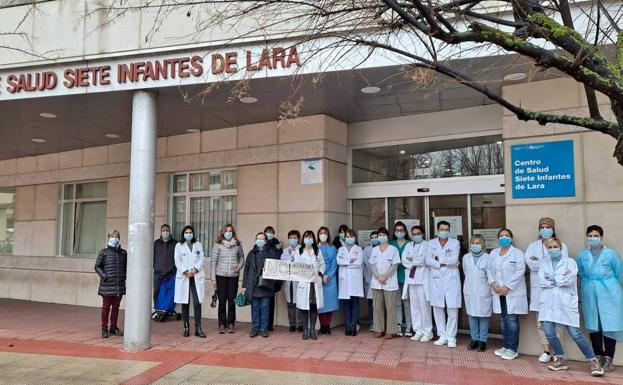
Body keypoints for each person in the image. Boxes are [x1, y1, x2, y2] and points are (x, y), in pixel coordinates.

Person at [538, 237, 604, 376]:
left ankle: (593, 360)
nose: (552, 249)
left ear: (561, 248)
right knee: (549, 332)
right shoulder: (544, 263)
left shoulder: (570, 262)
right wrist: (559, 279)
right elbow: (541, 280)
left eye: (555, 246)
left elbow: (569, 279)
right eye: (549, 247)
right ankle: (560, 358)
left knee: (575, 333)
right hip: (548, 302)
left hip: (565, 302)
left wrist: (554, 279)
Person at [577, 225, 623, 372]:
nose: (593, 238)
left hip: (610, 293)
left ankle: (609, 358)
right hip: (589, 291)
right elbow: (581, 274)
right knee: (593, 324)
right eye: (590, 235)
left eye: (596, 235)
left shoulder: (611, 254)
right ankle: (598, 355)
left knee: (610, 324)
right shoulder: (582, 256)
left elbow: (619, 273)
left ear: (601, 237)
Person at [525, 217, 567, 363]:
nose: (545, 229)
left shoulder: (562, 245)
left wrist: (540, 261)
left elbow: (562, 265)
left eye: (548, 226)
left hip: (555, 289)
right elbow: (531, 265)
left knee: (557, 322)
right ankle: (546, 351)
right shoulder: (533, 246)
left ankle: (558, 352)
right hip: (539, 289)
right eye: (542, 226)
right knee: (541, 322)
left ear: (553, 228)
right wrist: (547, 263)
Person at [488, 228, 528, 360]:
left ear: (511, 238)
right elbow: (489, 269)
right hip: (498, 291)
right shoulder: (493, 253)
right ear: (498, 238)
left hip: (512, 292)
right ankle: (505, 346)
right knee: (503, 319)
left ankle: (512, 348)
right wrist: (493, 283)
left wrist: (508, 287)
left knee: (511, 320)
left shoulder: (517, 253)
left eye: (506, 235)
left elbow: (520, 271)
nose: (504, 237)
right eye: (501, 236)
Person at [427, 220, 461, 348]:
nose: (444, 231)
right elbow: (427, 260)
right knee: (437, 308)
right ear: (437, 230)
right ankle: (442, 335)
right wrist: (441, 262)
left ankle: (451, 337)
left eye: (446, 229)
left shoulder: (455, 243)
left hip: (451, 279)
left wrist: (438, 260)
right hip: (436, 279)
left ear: (449, 230)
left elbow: (454, 260)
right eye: (442, 229)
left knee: (452, 309)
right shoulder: (431, 243)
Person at [242, 232, 279, 338]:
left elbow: (275, 266)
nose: (260, 240)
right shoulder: (251, 253)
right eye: (258, 238)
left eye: (262, 239)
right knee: (255, 307)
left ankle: (263, 328)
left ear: (266, 241)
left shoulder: (270, 252)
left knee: (264, 307)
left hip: (265, 285)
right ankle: (254, 328)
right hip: (253, 285)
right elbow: (246, 269)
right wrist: (244, 285)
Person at [211, 224, 245, 334]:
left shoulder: (237, 245)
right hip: (220, 276)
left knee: (231, 301)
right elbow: (213, 262)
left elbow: (241, 257)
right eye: (227, 231)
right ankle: (221, 323)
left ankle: (231, 323)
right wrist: (213, 279)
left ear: (233, 233)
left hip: (233, 277)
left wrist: (239, 266)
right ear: (223, 233)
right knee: (222, 301)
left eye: (230, 231)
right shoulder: (218, 245)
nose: (228, 233)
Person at [402, 225, 433, 343]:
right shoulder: (408, 245)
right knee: (414, 307)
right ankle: (418, 331)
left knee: (424, 307)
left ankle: (427, 332)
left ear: (423, 234)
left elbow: (423, 261)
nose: (416, 236)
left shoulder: (427, 245)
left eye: (418, 233)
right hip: (411, 280)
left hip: (423, 280)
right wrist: (414, 262)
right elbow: (404, 260)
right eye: (414, 234)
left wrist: (413, 261)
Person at [174, 225, 206, 338]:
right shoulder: (179, 245)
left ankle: (198, 328)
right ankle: (186, 327)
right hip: (185, 276)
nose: (188, 234)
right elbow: (177, 261)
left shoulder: (198, 244)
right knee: (185, 302)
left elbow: (202, 258)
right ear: (183, 234)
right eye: (186, 232)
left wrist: (196, 269)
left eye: (190, 232)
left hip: (196, 276)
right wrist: (186, 271)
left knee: (197, 303)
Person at [95, 230, 127, 338]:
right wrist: (104, 275)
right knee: (106, 307)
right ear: (108, 238)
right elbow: (97, 266)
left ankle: (113, 327)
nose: (115, 238)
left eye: (117, 236)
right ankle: (104, 328)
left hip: (119, 285)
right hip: (107, 285)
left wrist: (124, 277)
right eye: (112, 236)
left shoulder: (123, 253)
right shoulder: (103, 252)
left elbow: (126, 268)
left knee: (116, 307)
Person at [462, 234, 492, 352]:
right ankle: (474, 339)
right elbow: (466, 272)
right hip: (470, 290)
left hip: (483, 290)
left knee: (483, 316)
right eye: (473, 243)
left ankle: (483, 340)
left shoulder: (488, 257)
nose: (475, 245)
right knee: (472, 316)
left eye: (478, 243)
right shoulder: (466, 257)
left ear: (483, 245)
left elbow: (491, 274)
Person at [370, 227, 401, 339]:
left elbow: (395, 265)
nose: (381, 237)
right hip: (376, 282)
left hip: (390, 282)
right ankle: (378, 329)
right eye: (380, 235)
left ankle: (391, 331)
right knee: (377, 307)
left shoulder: (393, 249)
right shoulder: (374, 250)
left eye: (384, 234)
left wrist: (385, 276)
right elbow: (372, 265)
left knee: (390, 307)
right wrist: (378, 276)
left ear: (387, 236)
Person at [295, 230, 326, 340]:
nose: (308, 239)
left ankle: (312, 330)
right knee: (303, 307)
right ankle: (305, 330)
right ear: (303, 239)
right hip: (304, 283)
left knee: (313, 307)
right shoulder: (299, 251)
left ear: (313, 239)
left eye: (310, 237)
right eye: (306, 237)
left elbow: (322, 264)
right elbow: (295, 266)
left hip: (315, 283)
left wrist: (320, 274)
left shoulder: (318, 251)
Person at [337, 229, 364, 336]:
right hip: (344, 279)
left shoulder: (359, 249)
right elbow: (339, 261)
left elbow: (359, 262)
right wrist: (350, 261)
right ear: (345, 237)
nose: (349, 238)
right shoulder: (341, 249)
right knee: (346, 305)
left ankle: (353, 326)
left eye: (351, 236)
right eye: (347, 236)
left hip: (355, 279)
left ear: (355, 238)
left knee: (355, 304)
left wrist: (346, 262)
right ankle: (347, 326)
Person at [391, 221, 412, 337]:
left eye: (402, 230)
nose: (399, 232)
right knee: (397, 303)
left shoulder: (410, 243)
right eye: (397, 230)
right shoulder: (391, 244)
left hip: (407, 277)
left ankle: (409, 325)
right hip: (394, 277)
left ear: (405, 231)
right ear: (394, 232)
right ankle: (398, 325)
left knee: (407, 303)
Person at [317, 226, 338, 334]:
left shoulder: (333, 248)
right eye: (321, 233)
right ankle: (322, 326)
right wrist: (321, 275)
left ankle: (327, 326)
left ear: (328, 235)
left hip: (331, 279)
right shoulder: (315, 248)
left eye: (325, 232)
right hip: (318, 278)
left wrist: (329, 276)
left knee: (330, 303)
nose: (323, 235)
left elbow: (335, 263)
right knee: (320, 303)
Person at [281, 230, 302, 332]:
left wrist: (293, 255)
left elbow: (301, 263)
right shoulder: (285, 250)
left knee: (299, 302)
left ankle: (301, 324)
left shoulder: (302, 249)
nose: (292, 240)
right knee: (290, 303)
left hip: (298, 280)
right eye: (290, 238)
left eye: (294, 238)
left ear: (298, 239)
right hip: (288, 280)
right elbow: (282, 263)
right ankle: (292, 324)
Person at [153, 224, 177, 306]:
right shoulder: (156, 243)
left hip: (171, 274)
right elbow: (152, 257)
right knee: (156, 291)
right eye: (163, 230)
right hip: (158, 274)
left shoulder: (175, 243)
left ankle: (167, 310)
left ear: (169, 231)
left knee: (169, 293)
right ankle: (157, 309)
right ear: (161, 231)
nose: (165, 232)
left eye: (167, 230)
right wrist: (155, 267)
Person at [263, 225, 281, 332]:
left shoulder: (277, 245)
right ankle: (263, 323)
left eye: (271, 232)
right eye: (267, 232)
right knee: (262, 302)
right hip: (263, 277)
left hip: (273, 278)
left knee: (271, 302)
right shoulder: (261, 244)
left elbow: (279, 258)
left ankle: (270, 324)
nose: (269, 234)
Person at [362, 231, 379, 330]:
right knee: (371, 303)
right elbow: (364, 265)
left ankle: (381, 323)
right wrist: (366, 278)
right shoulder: (366, 250)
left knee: (380, 303)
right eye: (372, 237)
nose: (374, 239)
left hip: (381, 280)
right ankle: (372, 323)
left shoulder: (383, 249)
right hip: (369, 280)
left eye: (375, 237)